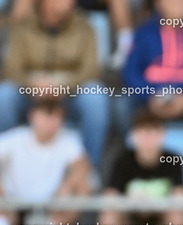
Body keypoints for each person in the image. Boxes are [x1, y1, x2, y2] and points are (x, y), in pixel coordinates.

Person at [0, 0, 110, 171]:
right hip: (30, 93)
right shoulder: (23, 26)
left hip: (70, 94)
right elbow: (11, 69)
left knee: (95, 96)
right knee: (5, 95)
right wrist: (32, 84)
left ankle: (88, 172)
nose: (68, 3)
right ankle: (4, 166)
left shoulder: (85, 26)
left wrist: (62, 86)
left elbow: (91, 70)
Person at [121, 0, 183, 157]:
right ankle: (131, 160)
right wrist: (150, 95)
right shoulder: (144, 31)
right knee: (122, 105)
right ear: (158, 4)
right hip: (151, 95)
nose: (179, 4)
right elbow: (130, 71)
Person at [0, 99, 90, 225]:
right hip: (12, 207)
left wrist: (67, 186)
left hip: (51, 208)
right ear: (32, 116)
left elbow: (81, 166)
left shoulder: (68, 140)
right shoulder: (15, 138)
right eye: (47, 115)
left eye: (57, 117)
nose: (52, 122)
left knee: (84, 186)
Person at [99, 110, 183, 225]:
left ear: (162, 135)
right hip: (129, 215)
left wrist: (155, 204)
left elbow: (180, 196)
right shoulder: (122, 160)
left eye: (153, 133)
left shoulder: (173, 160)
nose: (148, 140)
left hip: (161, 215)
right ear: (133, 136)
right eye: (143, 133)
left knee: (177, 218)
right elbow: (111, 196)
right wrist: (132, 204)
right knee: (109, 218)